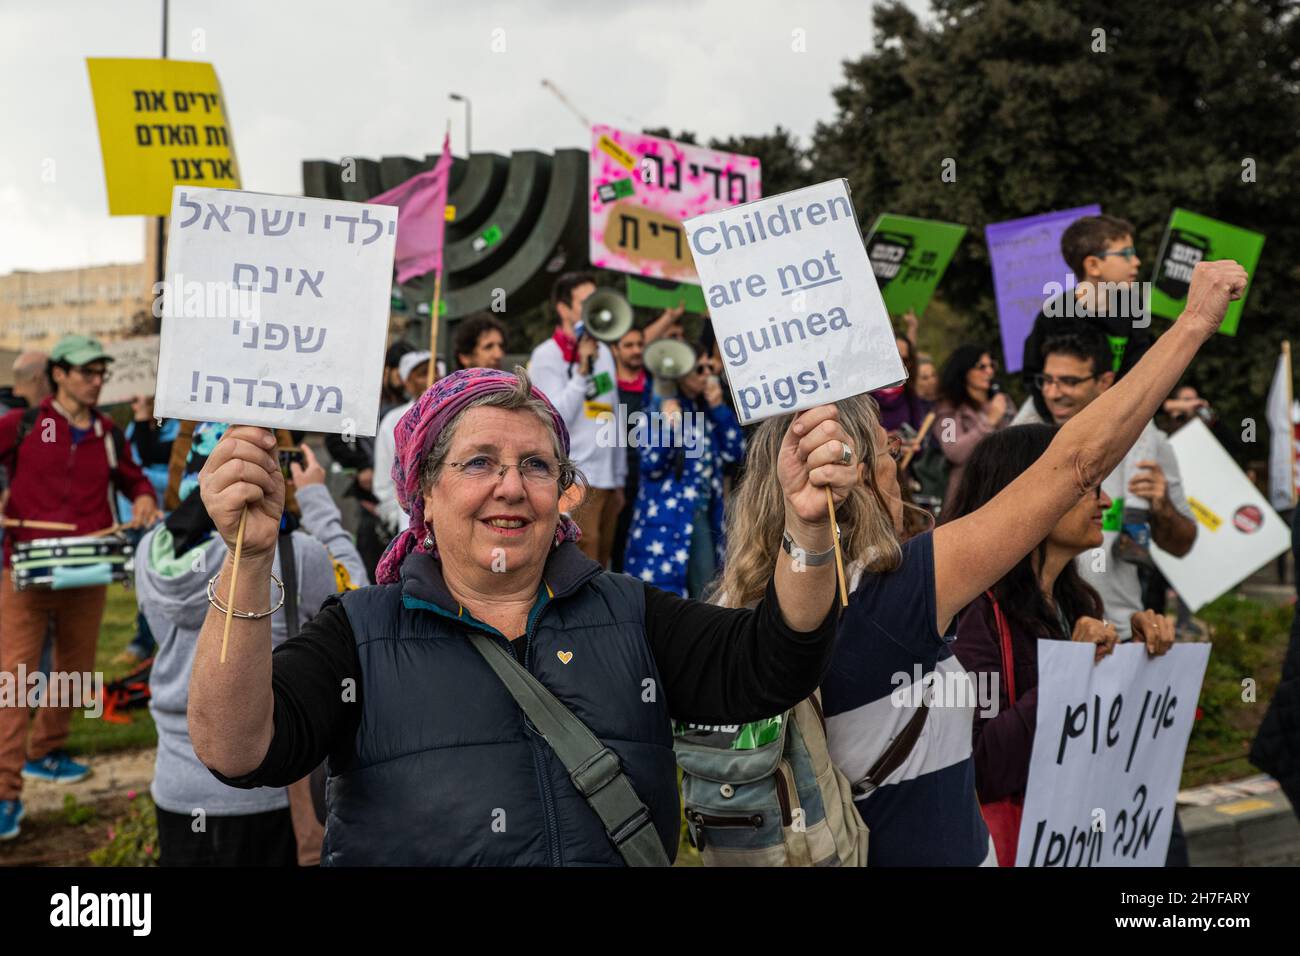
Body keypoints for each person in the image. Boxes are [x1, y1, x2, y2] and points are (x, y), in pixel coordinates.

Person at [187, 365, 856, 866]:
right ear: (424, 487)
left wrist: (808, 528)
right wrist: (249, 559)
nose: (511, 486)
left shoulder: (627, 611)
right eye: (479, 462)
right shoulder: (359, 633)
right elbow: (238, 749)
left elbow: (775, 661)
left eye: (535, 465)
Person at [712, 259, 1248, 866]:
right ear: (853, 479)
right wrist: (1195, 321)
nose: (906, 484)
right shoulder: (892, 595)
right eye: (892, 460)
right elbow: (1075, 464)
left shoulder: (741, 616)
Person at [943, 425, 1175, 865]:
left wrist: (1137, 655)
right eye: (1088, 488)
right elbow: (983, 766)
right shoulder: (975, 614)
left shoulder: (1077, 601)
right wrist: (1070, 669)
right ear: (1033, 495)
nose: (1105, 503)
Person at [136, 428, 367, 866]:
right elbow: (355, 594)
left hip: (177, 788)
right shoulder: (294, 551)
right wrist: (316, 498)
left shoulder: (150, 548)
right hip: (269, 790)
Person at [0, 335, 161, 840]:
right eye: (87, 371)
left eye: (100, 371)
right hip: (24, 570)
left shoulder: (109, 433)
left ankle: (46, 752)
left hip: (89, 567)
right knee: (16, 678)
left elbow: (134, 480)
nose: (97, 380)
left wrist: (141, 499)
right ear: (60, 375)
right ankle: (4, 793)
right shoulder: (25, 425)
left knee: (73, 668)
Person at [1032, 330, 1197, 639]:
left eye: (1069, 381)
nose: (1054, 393)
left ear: (1104, 381)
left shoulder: (1148, 444)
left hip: (1118, 629)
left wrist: (1162, 507)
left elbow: (1182, 544)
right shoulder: (1026, 439)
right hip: (1044, 630)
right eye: (1048, 381)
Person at [624, 344, 744, 598]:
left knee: (707, 592)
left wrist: (719, 407)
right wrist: (669, 425)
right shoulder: (655, 409)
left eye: (709, 369)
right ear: (680, 373)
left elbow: (736, 452)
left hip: (702, 513)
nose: (706, 375)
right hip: (669, 519)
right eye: (698, 369)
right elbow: (651, 464)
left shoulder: (707, 411)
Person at [528, 273, 627, 566]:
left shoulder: (605, 352)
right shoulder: (547, 355)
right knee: (582, 562)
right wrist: (582, 371)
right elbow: (551, 418)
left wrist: (619, 477)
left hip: (607, 478)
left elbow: (612, 411)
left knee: (603, 559)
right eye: (585, 303)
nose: (594, 309)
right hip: (575, 477)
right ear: (564, 309)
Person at [1020, 213, 1154, 421]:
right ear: (1093, 266)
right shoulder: (1055, 314)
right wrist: (1054, 419)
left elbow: (1140, 368)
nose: (1136, 262)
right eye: (1126, 254)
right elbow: (1033, 371)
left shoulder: (1132, 307)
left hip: (1117, 416)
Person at [933, 344, 1012, 503]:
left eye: (992, 365)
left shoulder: (1003, 401)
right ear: (964, 372)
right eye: (981, 367)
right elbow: (953, 450)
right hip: (968, 496)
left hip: (1005, 489)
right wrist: (988, 422)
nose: (989, 371)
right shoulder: (948, 410)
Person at [372, 350, 432, 536]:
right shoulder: (393, 421)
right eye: (423, 373)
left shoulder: (456, 416)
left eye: (436, 371)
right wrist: (400, 518)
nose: (432, 377)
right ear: (407, 382)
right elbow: (383, 483)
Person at [610, 326, 647, 572]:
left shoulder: (656, 386)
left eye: (639, 344)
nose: (636, 351)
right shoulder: (606, 388)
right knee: (617, 545)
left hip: (651, 482)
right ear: (615, 350)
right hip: (618, 481)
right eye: (628, 345)